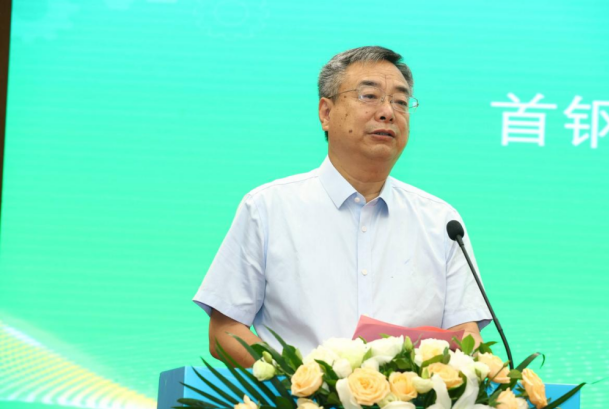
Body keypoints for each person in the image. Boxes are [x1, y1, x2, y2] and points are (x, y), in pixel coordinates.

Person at [193, 46, 492, 368]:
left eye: (401, 102)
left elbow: (466, 334)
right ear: (326, 113)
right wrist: (303, 381)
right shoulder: (268, 207)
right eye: (369, 96)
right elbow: (225, 331)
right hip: (297, 397)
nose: (388, 112)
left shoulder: (441, 221)